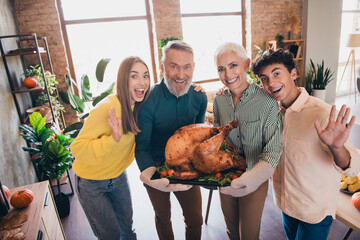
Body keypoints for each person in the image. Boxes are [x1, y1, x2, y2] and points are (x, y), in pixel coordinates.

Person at [251, 48, 360, 240]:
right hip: (285, 204)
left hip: (314, 212)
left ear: (293, 73)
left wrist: (337, 147)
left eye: (277, 73)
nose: (271, 82)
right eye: (264, 78)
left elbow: (352, 169)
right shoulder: (272, 113)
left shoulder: (323, 113)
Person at [70, 56, 151, 240]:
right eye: (134, 76)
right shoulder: (107, 108)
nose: (142, 82)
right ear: (123, 79)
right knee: (110, 236)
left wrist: (195, 89)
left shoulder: (140, 106)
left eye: (145, 76)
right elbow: (77, 148)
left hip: (118, 176)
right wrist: (111, 141)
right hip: (92, 183)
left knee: (128, 230)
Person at [135, 40, 207, 240]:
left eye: (187, 67)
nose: (181, 74)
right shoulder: (148, 101)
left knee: (195, 220)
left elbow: (197, 138)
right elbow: (142, 147)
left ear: (193, 67)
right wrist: (152, 176)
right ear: (162, 66)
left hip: (188, 167)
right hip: (156, 165)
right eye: (173, 66)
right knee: (163, 217)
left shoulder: (200, 98)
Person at [213, 42, 282, 239]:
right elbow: (218, 136)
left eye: (233, 65)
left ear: (246, 64)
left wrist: (253, 178)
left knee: (248, 235)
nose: (228, 74)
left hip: (254, 179)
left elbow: (273, 148)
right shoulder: (219, 100)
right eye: (221, 69)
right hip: (225, 177)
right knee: (231, 232)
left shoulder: (268, 102)